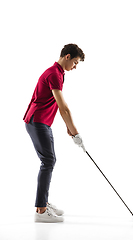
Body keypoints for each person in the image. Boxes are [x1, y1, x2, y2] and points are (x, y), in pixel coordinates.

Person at [23, 44, 86, 223]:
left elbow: (53, 104)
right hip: (37, 122)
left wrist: (69, 128)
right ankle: (41, 211)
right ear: (67, 56)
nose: (75, 67)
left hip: (40, 122)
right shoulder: (54, 74)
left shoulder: (57, 72)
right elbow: (63, 107)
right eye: (75, 62)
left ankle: (43, 203)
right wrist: (75, 133)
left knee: (49, 160)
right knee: (48, 161)